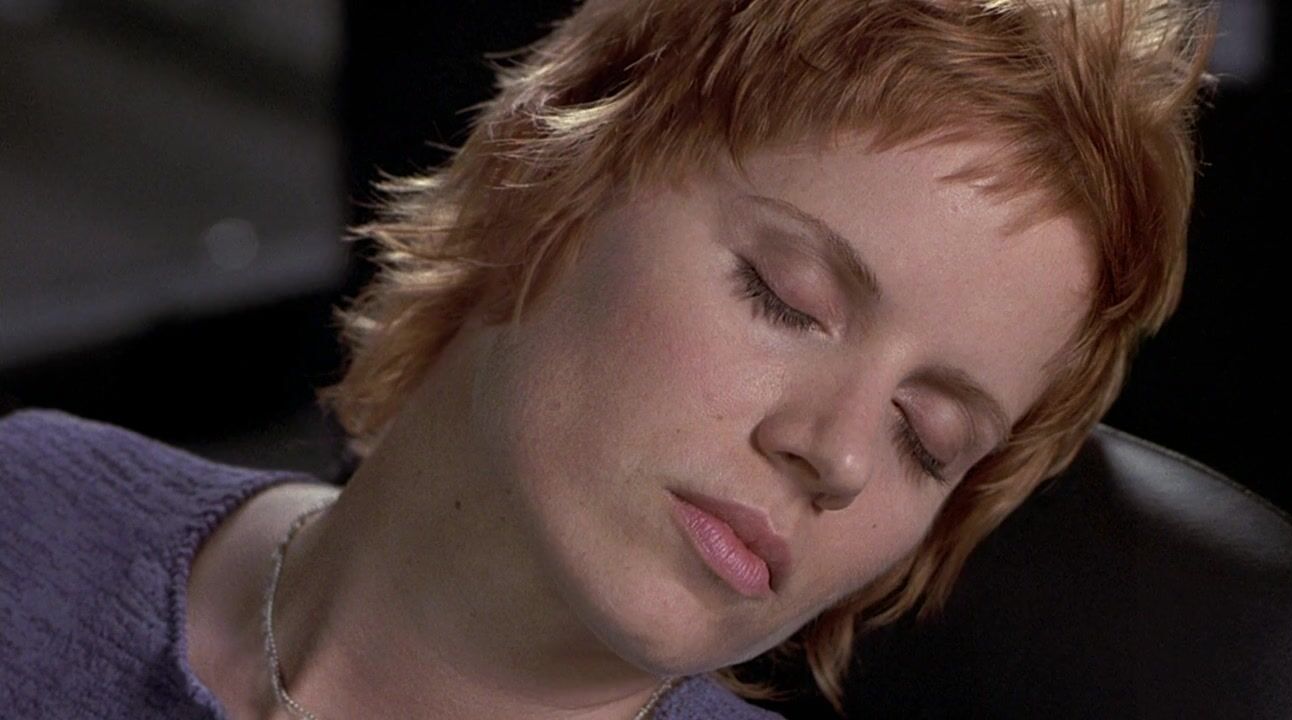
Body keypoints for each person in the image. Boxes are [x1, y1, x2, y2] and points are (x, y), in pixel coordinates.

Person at [0, 0, 1214, 717]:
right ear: (550, 175)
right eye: (785, 297)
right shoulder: (28, 514)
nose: (839, 453)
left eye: (925, 439)